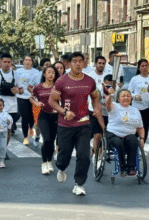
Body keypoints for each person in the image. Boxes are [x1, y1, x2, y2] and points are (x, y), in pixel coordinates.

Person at [49, 52, 102, 196]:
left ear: (84, 63)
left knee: (84, 155)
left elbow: (95, 97)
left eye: (80, 61)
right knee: (64, 154)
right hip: (65, 124)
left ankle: (79, 184)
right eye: (75, 61)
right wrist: (64, 111)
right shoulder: (61, 81)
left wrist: (97, 108)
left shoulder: (90, 81)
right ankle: (61, 167)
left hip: (83, 123)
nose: (78, 64)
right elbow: (51, 101)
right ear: (69, 64)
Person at [105, 88, 145, 175]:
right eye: (123, 96)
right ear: (118, 99)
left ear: (131, 98)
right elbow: (107, 104)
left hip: (129, 135)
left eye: (128, 96)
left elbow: (140, 127)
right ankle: (122, 167)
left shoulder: (135, 110)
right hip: (113, 133)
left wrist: (142, 138)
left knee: (134, 141)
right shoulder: (114, 106)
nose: (126, 98)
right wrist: (110, 95)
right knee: (119, 143)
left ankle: (131, 167)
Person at [30, 66, 60, 175]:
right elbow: (31, 97)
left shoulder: (58, 87)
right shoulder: (38, 87)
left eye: (53, 72)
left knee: (52, 141)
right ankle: (44, 163)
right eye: (49, 72)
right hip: (44, 116)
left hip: (56, 116)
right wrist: (36, 103)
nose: (51, 74)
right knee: (46, 139)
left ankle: (49, 161)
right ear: (44, 74)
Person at [0, 53, 24, 137]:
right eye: (5, 62)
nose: (7, 64)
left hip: (12, 106)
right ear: (1, 62)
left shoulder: (16, 74)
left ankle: (3, 148)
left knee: (7, 131)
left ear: (11, 62)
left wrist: (17, 90)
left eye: (9, 62)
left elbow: (22, 90)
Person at [87, 56, 110, 155]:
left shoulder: (109, 76)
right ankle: (96, 156)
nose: (101, 65)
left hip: (106, 110)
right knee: (97, 135)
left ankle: (98, 153)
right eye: (99, 63)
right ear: (95, 64)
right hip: (93, 109)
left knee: (102, 135)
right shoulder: (89, 76)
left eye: (103, 63)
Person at [128, 59, 149, 144]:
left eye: (146, 65)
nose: (144, 68)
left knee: (145, 128)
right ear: (139, 68)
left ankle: (141, 148)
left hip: (148, 107)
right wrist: (135, 96)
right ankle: (133, 146)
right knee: (135, 129)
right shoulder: (135, 79)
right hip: (136, 108)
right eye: (142, 66)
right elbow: (129, 92)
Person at [16, 55, 39, 145]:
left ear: (32, 62)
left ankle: (31, 127)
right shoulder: (18, 71)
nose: (28, 61)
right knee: (24, 117)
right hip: (21, 97)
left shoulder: (36, 72)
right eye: (26, 60)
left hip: (33, 97)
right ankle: (25, 137)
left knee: (32, 116)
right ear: (23, 61)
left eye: (30, 60)